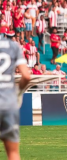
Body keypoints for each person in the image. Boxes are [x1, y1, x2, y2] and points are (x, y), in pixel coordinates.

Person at [0, 32, 31, 160]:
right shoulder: (13, 46)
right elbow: (27, 76)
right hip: (8, 103)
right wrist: (18, 92)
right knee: (13, 153)